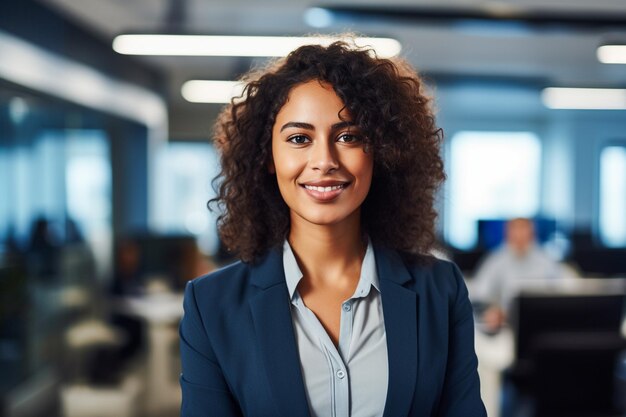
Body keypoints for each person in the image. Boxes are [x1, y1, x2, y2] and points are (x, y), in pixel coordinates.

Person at [179, 38, 486, 417]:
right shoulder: (211, 305)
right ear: (267, 157)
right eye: (298, 139)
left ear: (382, 151)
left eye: (348, 137)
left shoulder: (440, 289)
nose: (323, 160)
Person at [470, 218, 568, 331]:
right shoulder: (495, 261)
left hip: (542, 325)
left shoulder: (547, 261)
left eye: (523, 231)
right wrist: (491, 311)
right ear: (507, 234)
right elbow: (479, 295)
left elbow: (560, 293)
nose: (520, 236)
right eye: (515, 231)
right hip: (505, 326)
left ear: (532, 234)